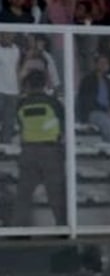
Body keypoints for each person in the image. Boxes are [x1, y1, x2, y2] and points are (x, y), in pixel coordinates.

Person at [13, 69, 66, 227]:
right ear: (45, 84)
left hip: (28, 152)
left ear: (28, 85)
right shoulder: (53, 103)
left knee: (23, 195)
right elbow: (63, 124)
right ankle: (63, 230)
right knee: (57, 195)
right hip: (51, 152)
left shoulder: (21, 104)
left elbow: (20, 124)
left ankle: (17, 231)